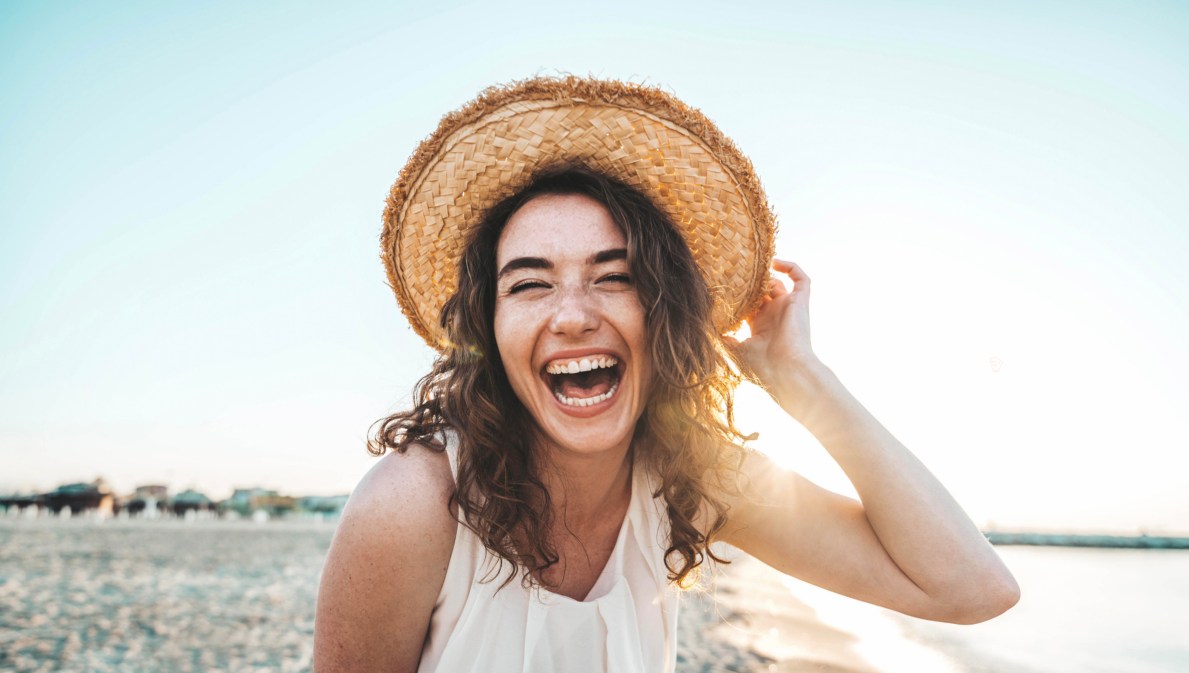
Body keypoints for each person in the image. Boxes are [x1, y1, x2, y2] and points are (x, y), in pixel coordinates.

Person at [313, 76, 1019, 673]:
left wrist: (801, 378)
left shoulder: (690, 478)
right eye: (530, 285)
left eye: (614, 277)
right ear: (487, 332)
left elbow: (972, 588)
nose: (573, 316)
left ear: (663, 311)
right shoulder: (413, 505)